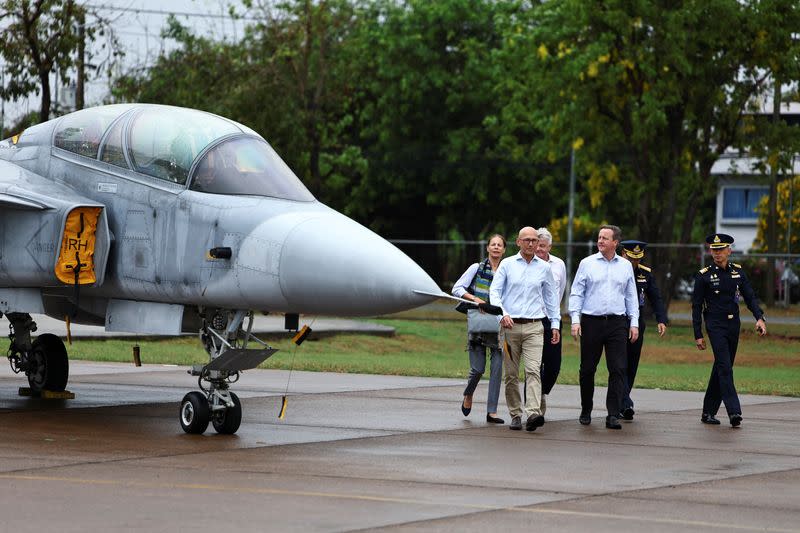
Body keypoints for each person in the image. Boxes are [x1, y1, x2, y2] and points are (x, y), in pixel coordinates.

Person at [489, 227, 561, 432]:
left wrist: (554, 323)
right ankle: (515, 414)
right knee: (511, 374)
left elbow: (551, 298)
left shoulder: (544, 268)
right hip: (509, 328)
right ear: (518, 242)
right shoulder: (507, 264)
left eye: (534, 240)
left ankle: (533, 413)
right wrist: (501, 314)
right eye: (527, 240)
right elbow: (495, 292)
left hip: (534, 327)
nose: (531, 243)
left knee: (533, 370)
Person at [569, 225, 639, 430]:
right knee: (588, 369)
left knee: (618, 368)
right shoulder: (587, 263)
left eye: (605, 238)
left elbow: (631, 296)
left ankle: (612, 414)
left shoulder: (625, 266)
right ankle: (586, 409)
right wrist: (575, 319)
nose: (600, 241)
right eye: (599, 237)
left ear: (615, 242)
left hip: (617, 322)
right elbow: (576, 293)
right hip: (591, 321)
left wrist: (633, 323)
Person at [692, 233, 767, 427]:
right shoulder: (704, 275)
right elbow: (696, 306)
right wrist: (698, 334)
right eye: (713, 250)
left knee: (722, 366)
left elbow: (750, 297)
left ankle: (708, 411)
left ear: (729, 251)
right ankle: (734, 411)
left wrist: (759, 318)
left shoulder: (738, 272)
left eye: (720, 249)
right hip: (715, 325)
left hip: (733, 325)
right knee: (725, 367)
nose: (717, 253)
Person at [452, 234, 507, 424]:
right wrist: (476, 299)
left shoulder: (507, 270)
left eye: (500, 245)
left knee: (497, 369)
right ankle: (468, 394)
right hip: (479, 322)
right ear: (488, 248)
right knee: (477, 369)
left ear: (504, 250)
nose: (496, 247)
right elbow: (457, 288)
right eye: (493, 244)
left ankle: (492, 412)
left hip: (500, 323)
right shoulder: (476, 268)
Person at [618, 240, 668, 421]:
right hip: (617, 323)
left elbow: (656, 298)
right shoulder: (614, 271)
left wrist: (661, 319)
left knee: (632, 364)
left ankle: (622, 401)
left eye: (637, 259)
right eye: (631, 258)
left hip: (637, 323)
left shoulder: (645, 274)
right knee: (619, 364)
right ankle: (625, 402)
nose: (634, 263)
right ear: (623, 254)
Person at [534, 227, 567, 416]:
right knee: (534, 366)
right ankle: (534, 407)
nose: (539, 249)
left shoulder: (558, 264)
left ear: (550, 247)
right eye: (537, 245)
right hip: (533, 319)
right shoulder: (528, 264)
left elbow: (559, 291)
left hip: (552, 320)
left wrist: (554, 316)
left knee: (553, 365)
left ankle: (542, 392)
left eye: (543, 246)